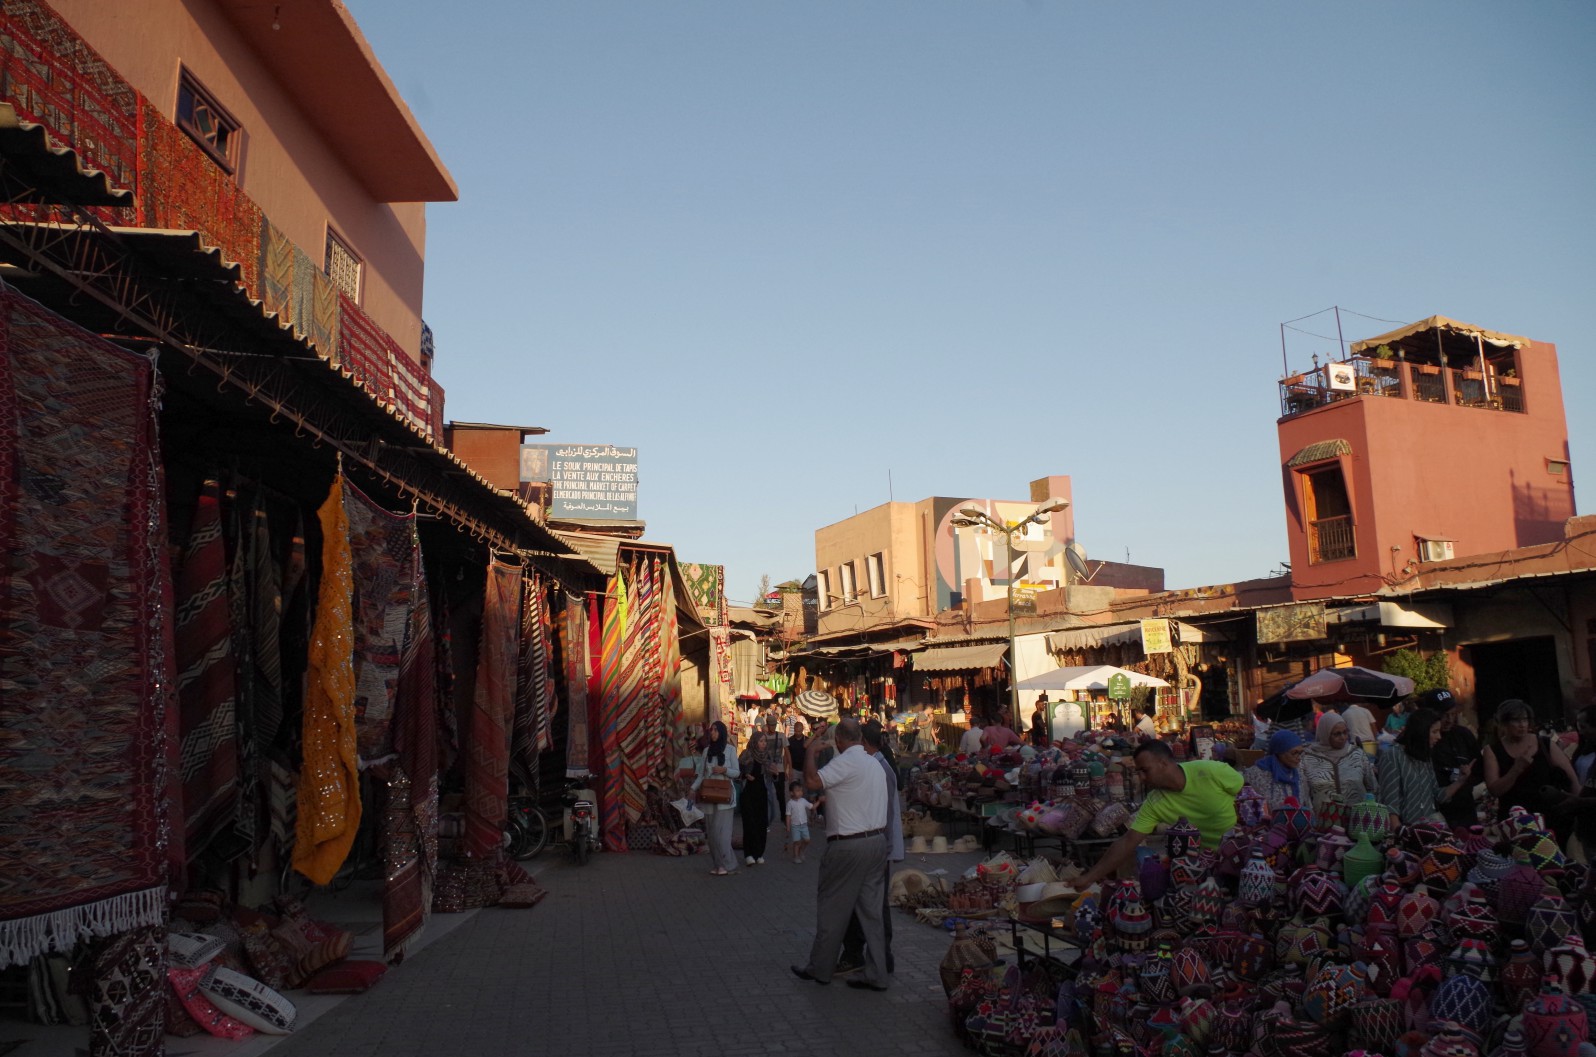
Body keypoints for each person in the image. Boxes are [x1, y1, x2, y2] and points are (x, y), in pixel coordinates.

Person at [791, 719, 890, 991]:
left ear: (839, 741)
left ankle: (820, 968)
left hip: (848, 845)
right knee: (872, 914)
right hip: (876, 842)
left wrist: (810, 751)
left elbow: (811, 781)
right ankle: (878, 973)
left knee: (832, 908)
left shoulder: (846, 761)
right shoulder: (875, 764)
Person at [1070, 740, 1242, 889]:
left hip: (1240, 854)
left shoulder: (1211, 771)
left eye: (1145, 770)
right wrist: (1088, 878)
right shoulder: (1155, 801)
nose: (1142, 778)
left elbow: (1251, 799)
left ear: (1163, 763)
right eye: (1139, 772)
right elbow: (1127, 842)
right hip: (1202, 866)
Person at [837, 721, 904, 977]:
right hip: (872, 845)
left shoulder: (879, 767)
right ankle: (860, 955)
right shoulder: (875, 765)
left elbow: (884, 812)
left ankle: (879, 958)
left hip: (876, 846)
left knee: (876, 907)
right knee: (862, 904)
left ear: (864, 742)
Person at [1483, 698, 1583, 845]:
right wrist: (1516, 769)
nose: (1522, 725)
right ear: (1504, 723)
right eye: (1516, 720)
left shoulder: (1545, 744)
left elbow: (1572, 779)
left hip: (1551, 819)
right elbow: (1495, 790)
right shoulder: (1492, 751)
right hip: (1515, 823)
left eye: (1525, 719)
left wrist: (1580, 810)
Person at [1299, 711, 1377, 816]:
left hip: (1357, 822)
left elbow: (1372, 787)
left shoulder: (1357, 754)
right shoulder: (1308, 758)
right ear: (1325, 733)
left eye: (1345, 732)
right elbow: (1304, 795)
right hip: (1323, 824)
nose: (1343, 737)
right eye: (1337, 734)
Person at [1378, 707, 1444, 826]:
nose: (1439, 737)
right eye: (1434, 732)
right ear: (1421, 731)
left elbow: (1437, 794)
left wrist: (1461, 780)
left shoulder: (1425, 757)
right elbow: (1390, 806)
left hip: (1428, 830)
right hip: (1406, 831)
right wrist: (1401, 835)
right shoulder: (1393, 755)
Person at [1428, 689, 1481, 834]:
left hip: (1465, 808)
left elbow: (1479, 769)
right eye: (1444, 715)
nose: (1449, 719)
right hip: (1434, 812)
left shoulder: (1464, 735)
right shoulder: (1425, 740)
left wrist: (1466, 779)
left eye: (1453, 714)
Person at [692, 721, 740, 876]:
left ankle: (729, 864)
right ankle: (718, 864)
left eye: (715, 730)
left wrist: (724, 769)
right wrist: (692, 789)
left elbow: (737, 773)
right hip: (709, 795)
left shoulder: (731, 750)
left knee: (722, 834)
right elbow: (701, 774)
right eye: (711, 730)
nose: (712, 733)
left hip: (724, 797)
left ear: (721, 732)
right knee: (712, 833)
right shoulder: (707, 751)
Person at [1242, 729, 1306, 811]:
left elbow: (1305, 803)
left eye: (1300, 753)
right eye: (1294, 753)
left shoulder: (1298, 773)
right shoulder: (1257, 774)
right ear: (1279, 752)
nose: (1299, 757)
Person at [738, 731, 771, 866]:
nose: (763, 744)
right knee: (749, 823)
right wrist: (745, 775)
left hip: (762, 793)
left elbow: (770, 775)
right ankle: (749, 854)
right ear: (754, 742)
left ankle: (759, 853)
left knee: (761, 823)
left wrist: (773, 773)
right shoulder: (746, 754)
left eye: (764, 741)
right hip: (748, 793)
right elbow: (738, 771)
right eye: (761, 741)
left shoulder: (766, 756)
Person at [760, 714, 790, 825]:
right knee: (766, 794)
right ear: (767, 725)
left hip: (780, 769)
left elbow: (787, 753)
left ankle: (783, 816)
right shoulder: (763, 737)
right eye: (770, 725)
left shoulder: (781, 736)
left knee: (780, 795)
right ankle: (766, 817)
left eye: (774, 725)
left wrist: (788, 769)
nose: (772, 727)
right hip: (766, 770)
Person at [784, 780, 813, 863]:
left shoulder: (803, 800)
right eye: (797, 791)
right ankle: (796, 856)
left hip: (804, 825)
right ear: (791, 793)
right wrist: (788, 827)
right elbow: (788, 816)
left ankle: (802, 851)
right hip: (795, 826)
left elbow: (811, 806)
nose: (800, 793)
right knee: (797, 842)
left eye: (801, 790)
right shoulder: (790, 803)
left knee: (807, 840)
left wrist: (819, 801)